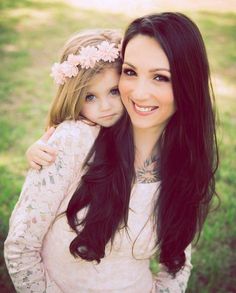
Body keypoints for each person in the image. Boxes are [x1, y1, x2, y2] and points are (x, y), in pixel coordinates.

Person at [4, 12, 218, 293]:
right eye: (130, 72)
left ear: (188, 85)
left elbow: (177, 263)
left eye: (160, 77)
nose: (139, 93)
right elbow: (21, 248)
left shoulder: (184, 163)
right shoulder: (74, 141)